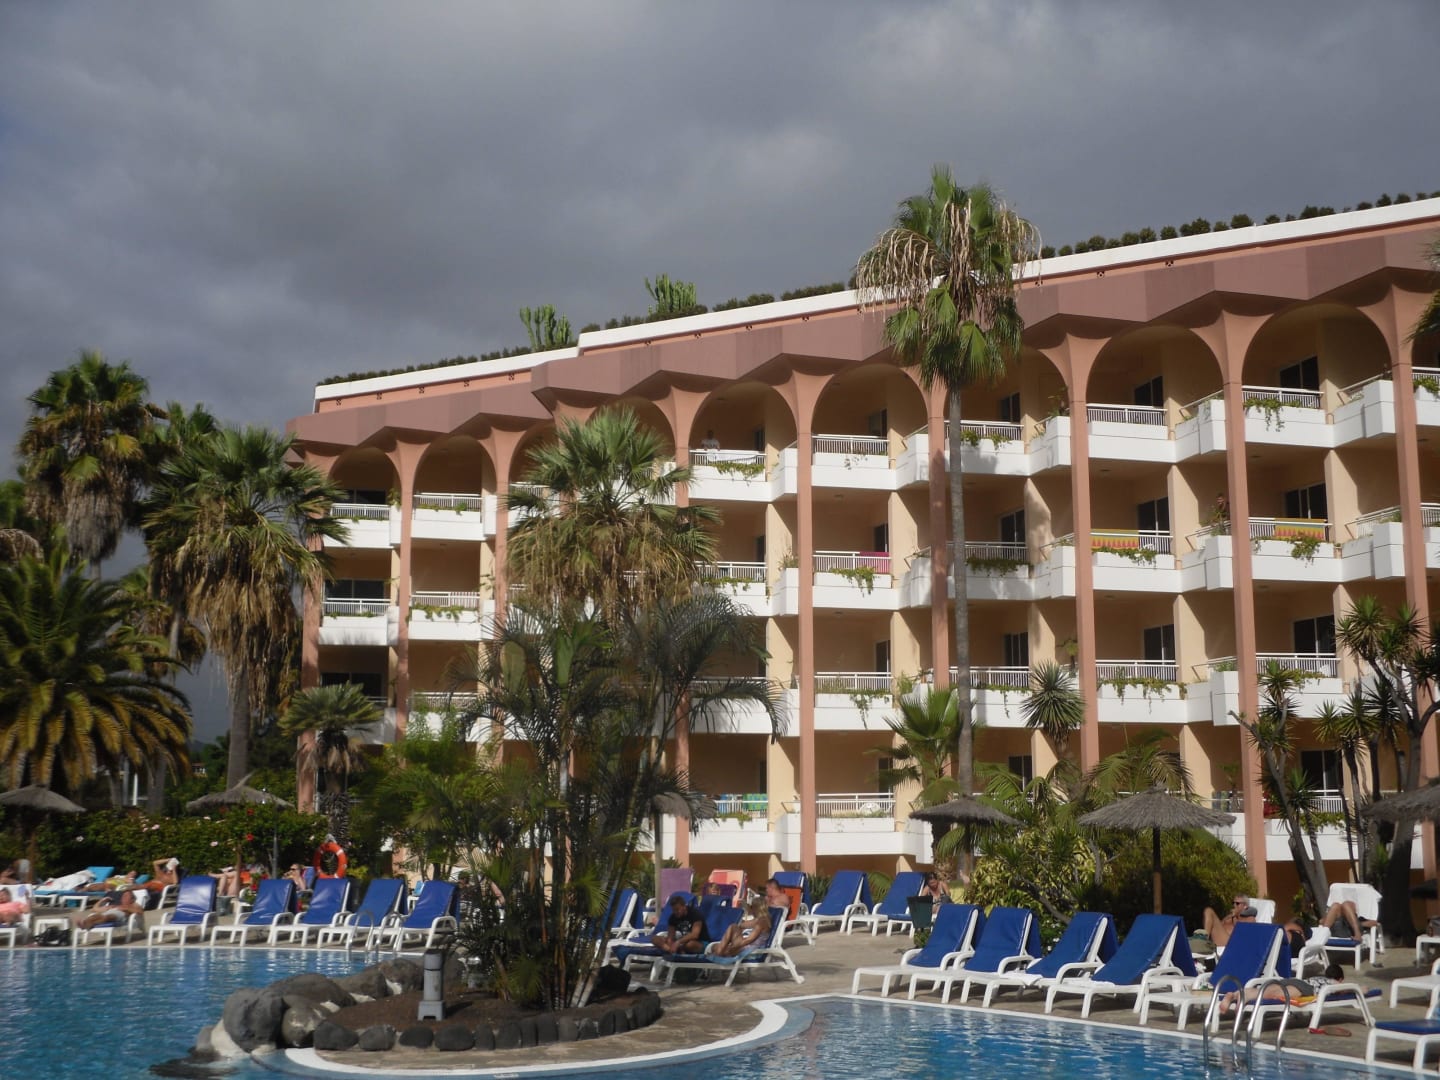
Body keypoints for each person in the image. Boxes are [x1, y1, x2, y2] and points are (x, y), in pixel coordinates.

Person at [1221, 963, 1345, 1012]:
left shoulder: (1318, 978)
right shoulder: (1333, 982)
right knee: (1271, 995)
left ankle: (1235, 994)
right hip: (1304, 988)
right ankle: (1244, 998)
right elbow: (1345, 988)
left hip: (1294, 980)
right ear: (1339, 978)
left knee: (1264, 990)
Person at [77, 886, 144, 931]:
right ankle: (86, 923)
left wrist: (125, 908)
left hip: (120, 916)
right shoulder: (113, 905)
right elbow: (94, 909)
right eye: (123, 896)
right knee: (95, 916)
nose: (124, 898)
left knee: (108, 917)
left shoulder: (133, 905)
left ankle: (85, 924)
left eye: (127, 896)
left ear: (132, 899)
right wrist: (102, 900)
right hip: (107, 913)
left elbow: (140, 912)